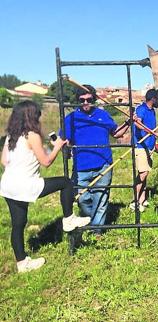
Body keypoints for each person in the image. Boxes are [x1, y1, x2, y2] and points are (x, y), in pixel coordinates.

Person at [0, 101, 91, 273]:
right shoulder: (32, 135)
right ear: (31, 116)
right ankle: (69, 219)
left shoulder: (11, 136)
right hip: (26, 184)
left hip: (8, 185)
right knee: (65, 182)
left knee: (18, 224)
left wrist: (40, 152)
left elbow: (4, 161)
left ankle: (22, 263)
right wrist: (57, 146)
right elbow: (47, 162)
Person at [63, 85, 130, 233]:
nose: (86, 103)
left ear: (94, 99)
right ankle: (90, 221)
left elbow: (116, 133)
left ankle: (97, 231)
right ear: (77, 101)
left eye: (89, 99)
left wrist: (128, 122)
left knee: (101, 199)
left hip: (103, 164)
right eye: (82, 100)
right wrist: (66, 147)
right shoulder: (71, 119)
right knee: (82, 199)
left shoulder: (103, 115)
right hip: (81, 167)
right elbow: (64, 140)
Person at [131, 89, 158, 211]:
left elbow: (153, 129)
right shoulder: (141, 109)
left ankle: (142, 200)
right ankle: (134, 201)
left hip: (150, 145)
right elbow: (137, 123)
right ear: (153, 99)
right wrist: (146, 130)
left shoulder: (152, 111)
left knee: (146, 173)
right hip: (140, 145)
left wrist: (156, 143)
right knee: (142, 173)